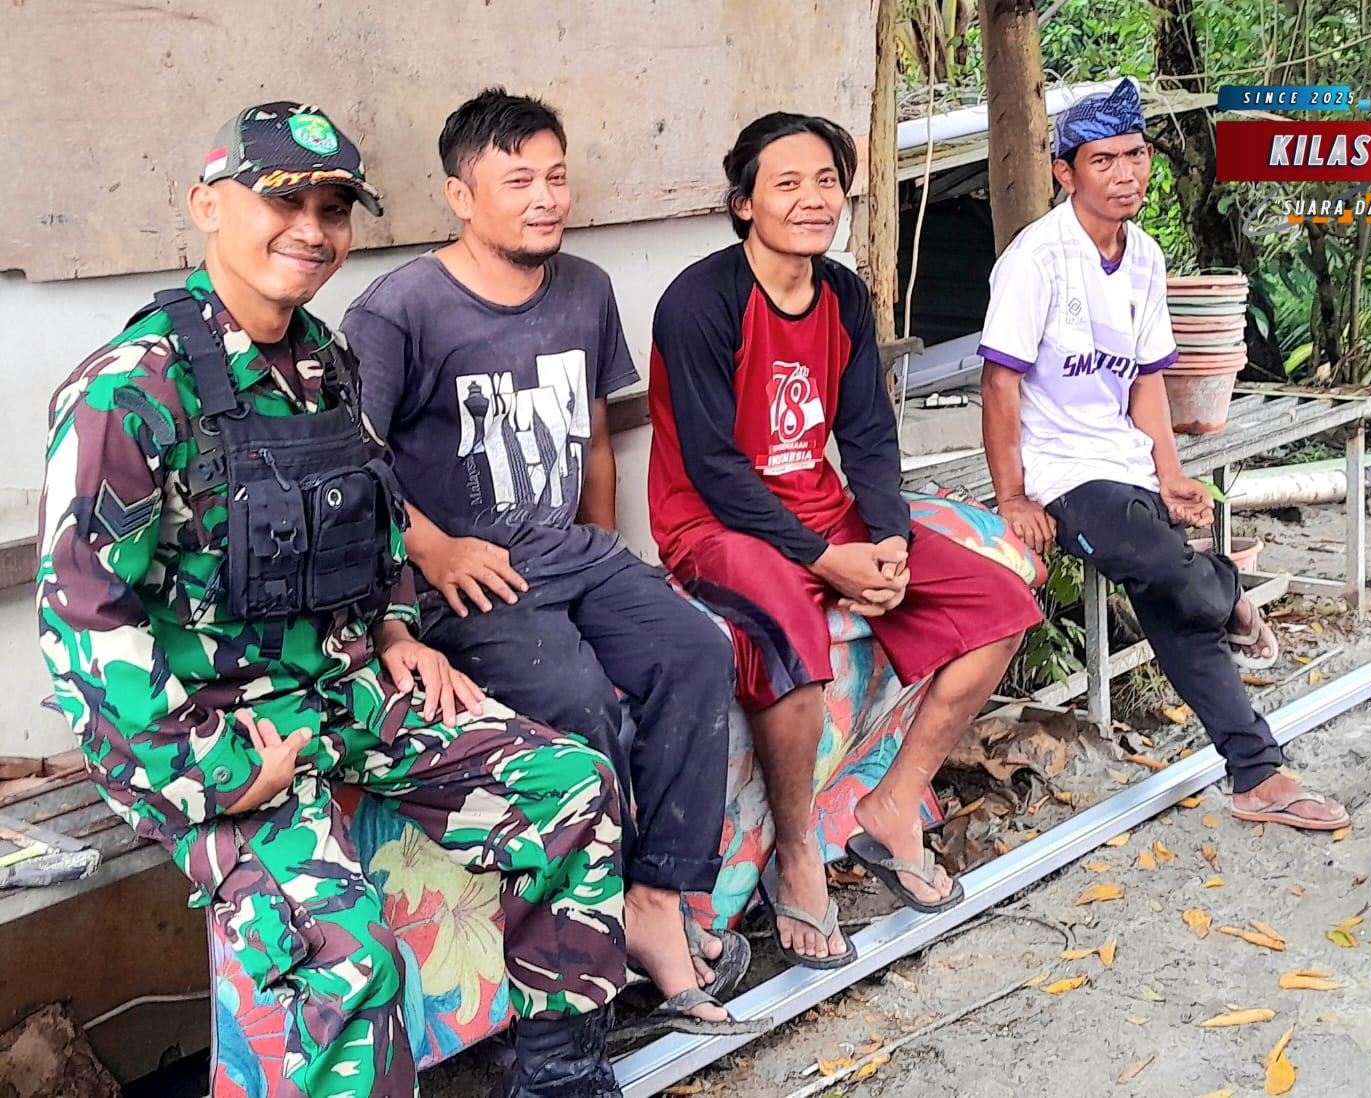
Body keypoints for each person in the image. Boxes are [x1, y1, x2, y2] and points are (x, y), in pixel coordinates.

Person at [36, 102, 627, 1097]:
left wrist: (395, 624)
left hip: (339, 692)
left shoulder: (323, 361)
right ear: (208, 207)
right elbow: (83, 620)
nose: (312, 230)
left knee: (571, 787)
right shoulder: (132, 389)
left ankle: (560, 1075)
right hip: (213, 734)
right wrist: (216, 774)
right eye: (283, 202)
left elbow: (376, 513)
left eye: (333, 207)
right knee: (347, 960)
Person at [341, 88, 752, 1036]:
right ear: (461, 196)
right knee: (575, 697)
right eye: (518, 180)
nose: (545, 199)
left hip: (572, 552)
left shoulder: (586, 289)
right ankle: (593, 938)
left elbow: (595, 439)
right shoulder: (400, 311)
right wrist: (431, 547)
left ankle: (655, 900)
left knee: (696, 649)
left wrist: (609, 552)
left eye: (556, 177)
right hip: (469, 575)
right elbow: (355, 465)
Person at [647, 112, 1042, 969]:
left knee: (1001, 603)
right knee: (791, 635)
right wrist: (827, 560)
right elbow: (713, 468)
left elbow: (867, 432)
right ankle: (795, 853)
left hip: (823, 511)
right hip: (712, 525)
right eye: (787, 183)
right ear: (744, 203)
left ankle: (893, 802)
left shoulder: (842, 295)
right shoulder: (699, 302)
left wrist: (890, 541)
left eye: (826, 180)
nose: (813, 199)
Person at [978, 78, 1350, 832]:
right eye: (1104, 160)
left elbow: (1147, 379)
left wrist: (1171, 472)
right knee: (1164, 567)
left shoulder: (1144, 257)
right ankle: (1228, 589)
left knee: (1175, 601)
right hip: (1061, 473)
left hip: (1127, 463)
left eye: (1136, 156)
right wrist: (1013, 496)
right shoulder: (1036, 259)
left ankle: (1257, 775)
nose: (1126, 174)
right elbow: (998, 384)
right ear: (1066, 172)